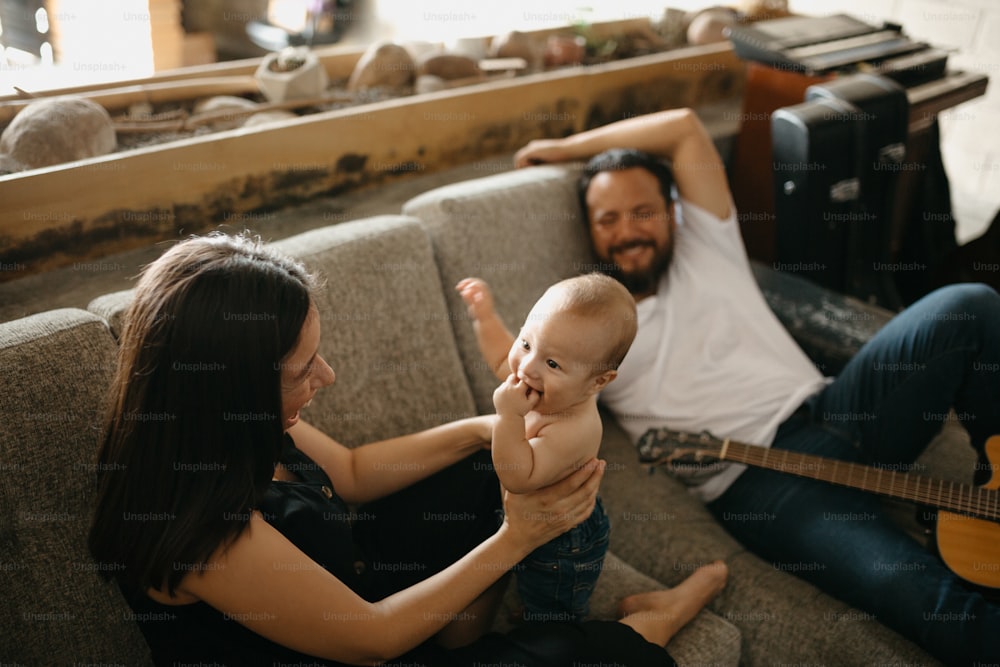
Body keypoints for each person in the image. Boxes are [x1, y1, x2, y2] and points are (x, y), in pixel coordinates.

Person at [87, 232, 728, 667]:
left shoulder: (238, 425)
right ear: (234, 385)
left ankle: (461, 629)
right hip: (364, 637)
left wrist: (489, 430)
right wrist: (519, 538)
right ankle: (653, 622)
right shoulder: (200, 529)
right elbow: (371, 639)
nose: (327, 377)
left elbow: (357, 473)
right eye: (304, 368)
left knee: (487, 463)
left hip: (355, 576)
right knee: (599, 654)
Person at [513, 107, 1000, 665]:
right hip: (762, 484)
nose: (626, 230)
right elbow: (525, 382)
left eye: (642, 211)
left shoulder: (708, 247)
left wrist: (563, 146)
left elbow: (684, 128)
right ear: (591, 230)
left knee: (969, 306)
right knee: (914, 591)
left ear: (673, 212)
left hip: (838, 409)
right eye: (607, 219)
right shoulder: (586, 340)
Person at [457, 273, 638, 622]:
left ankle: (550, 620)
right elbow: (501, 360)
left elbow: (518, 476)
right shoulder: (536, 375)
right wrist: (485, 318)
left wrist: (508, 417)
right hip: (529, 519)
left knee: (551, 608)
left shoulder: (574, 428)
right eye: (526, 343)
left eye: (553, 364)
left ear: (597, 381)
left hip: (564, 543)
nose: (526, 368)